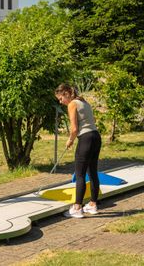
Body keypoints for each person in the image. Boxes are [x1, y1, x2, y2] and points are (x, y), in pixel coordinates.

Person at [55, 83, 101, 218]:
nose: (60, 101)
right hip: (95, 137)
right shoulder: (84, 101)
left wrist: (70, 140)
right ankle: (93, 205)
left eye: (60, 98)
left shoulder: (72, 104)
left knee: (80, 173)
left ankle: (77, 207)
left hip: (86, 138)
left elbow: (74, 129)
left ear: (66, 94)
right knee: (92, 172)